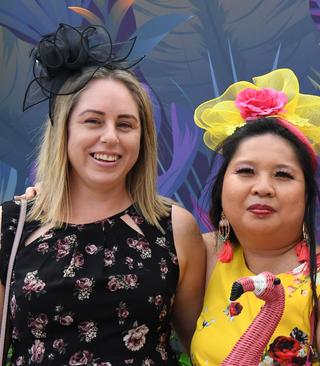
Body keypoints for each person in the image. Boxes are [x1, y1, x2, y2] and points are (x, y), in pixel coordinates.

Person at [0, 24, 205, 364]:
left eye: (125, 124)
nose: (110, 137)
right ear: (64, 130)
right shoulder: (11, 224)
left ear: (143, 139)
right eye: (93, 121)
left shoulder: (174, 228)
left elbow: (203, 348)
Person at [189, 68, 320, 365]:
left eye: (283, 174)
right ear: (221, 186)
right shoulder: (204, 256)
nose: (263, 187)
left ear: (306, 195)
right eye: (245, 171)